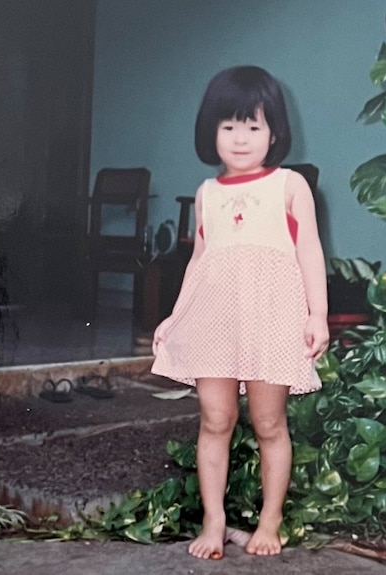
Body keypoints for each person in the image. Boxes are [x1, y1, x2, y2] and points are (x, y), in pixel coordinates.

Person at [151, 65, 328, 559]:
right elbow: (199, 262)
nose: (241, 138)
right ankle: (214, 522)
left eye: (253, 126)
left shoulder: (290, 185)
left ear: (275, 133)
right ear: (211, 132)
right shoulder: (207, 195)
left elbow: (310, 251)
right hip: (216, 322)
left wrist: (318, 314)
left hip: (273, 319)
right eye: (228, 126)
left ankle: (270, 522)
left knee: (269, 423)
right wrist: (174, 317)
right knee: (215, 418)